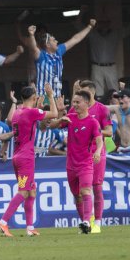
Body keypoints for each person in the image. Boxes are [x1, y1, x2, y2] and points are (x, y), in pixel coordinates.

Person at [0, 83, 57, 237]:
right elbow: (55, 114)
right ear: (34, 97)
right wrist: (50, 96)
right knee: (23, 192)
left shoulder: (17, 112)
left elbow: (12, 120)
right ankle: (2, 223)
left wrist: (38, 107)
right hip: (26, 158)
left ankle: (30, 227)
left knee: (31, 192)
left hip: (17, 156)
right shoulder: (31, 112)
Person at [50, 90, 103, 234]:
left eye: (77, 102)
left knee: (86, 190)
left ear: (86, 103)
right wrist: (61, 119)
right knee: (77, 197)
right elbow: (51, 126)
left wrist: (97, 151)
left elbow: (99, 141)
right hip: (71, 165)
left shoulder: (92, 121)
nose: (75, 105)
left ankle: (87, 221)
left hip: (85, 164)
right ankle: (86, 226)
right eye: (74, 102)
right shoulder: (70, 118)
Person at [71, 80, 112, 233]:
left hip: (97, 154)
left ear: (92, 93)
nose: (82, 95)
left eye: (85, 92)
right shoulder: (77, 110)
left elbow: (109, 131)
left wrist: (93, 128)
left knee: (96, 188)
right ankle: (87, 221)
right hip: (79, 156)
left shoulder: (102, 109)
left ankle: (98, 223)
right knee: (79, 193)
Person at [76, 5, 130, 99]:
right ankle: (99, 111)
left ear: (109, 23)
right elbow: (79, 27)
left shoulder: (115, 34)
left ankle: (116, 110)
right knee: (96, 90)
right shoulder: (93, 34)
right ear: (98, 23)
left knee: (114, 91)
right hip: (96, 66)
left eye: (106, 22)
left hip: (110, 66)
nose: (104, 24)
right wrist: (82, 12)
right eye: (101, 22)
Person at [27, 20, 96, 98]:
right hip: (43, 97)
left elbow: (75, 39)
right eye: (54, 40)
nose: (57, 41)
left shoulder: (59, 51)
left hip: (57, 96)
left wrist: (89, 26)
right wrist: (31, 35)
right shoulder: (40, 55)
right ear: (48, 45)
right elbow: (33, 47)